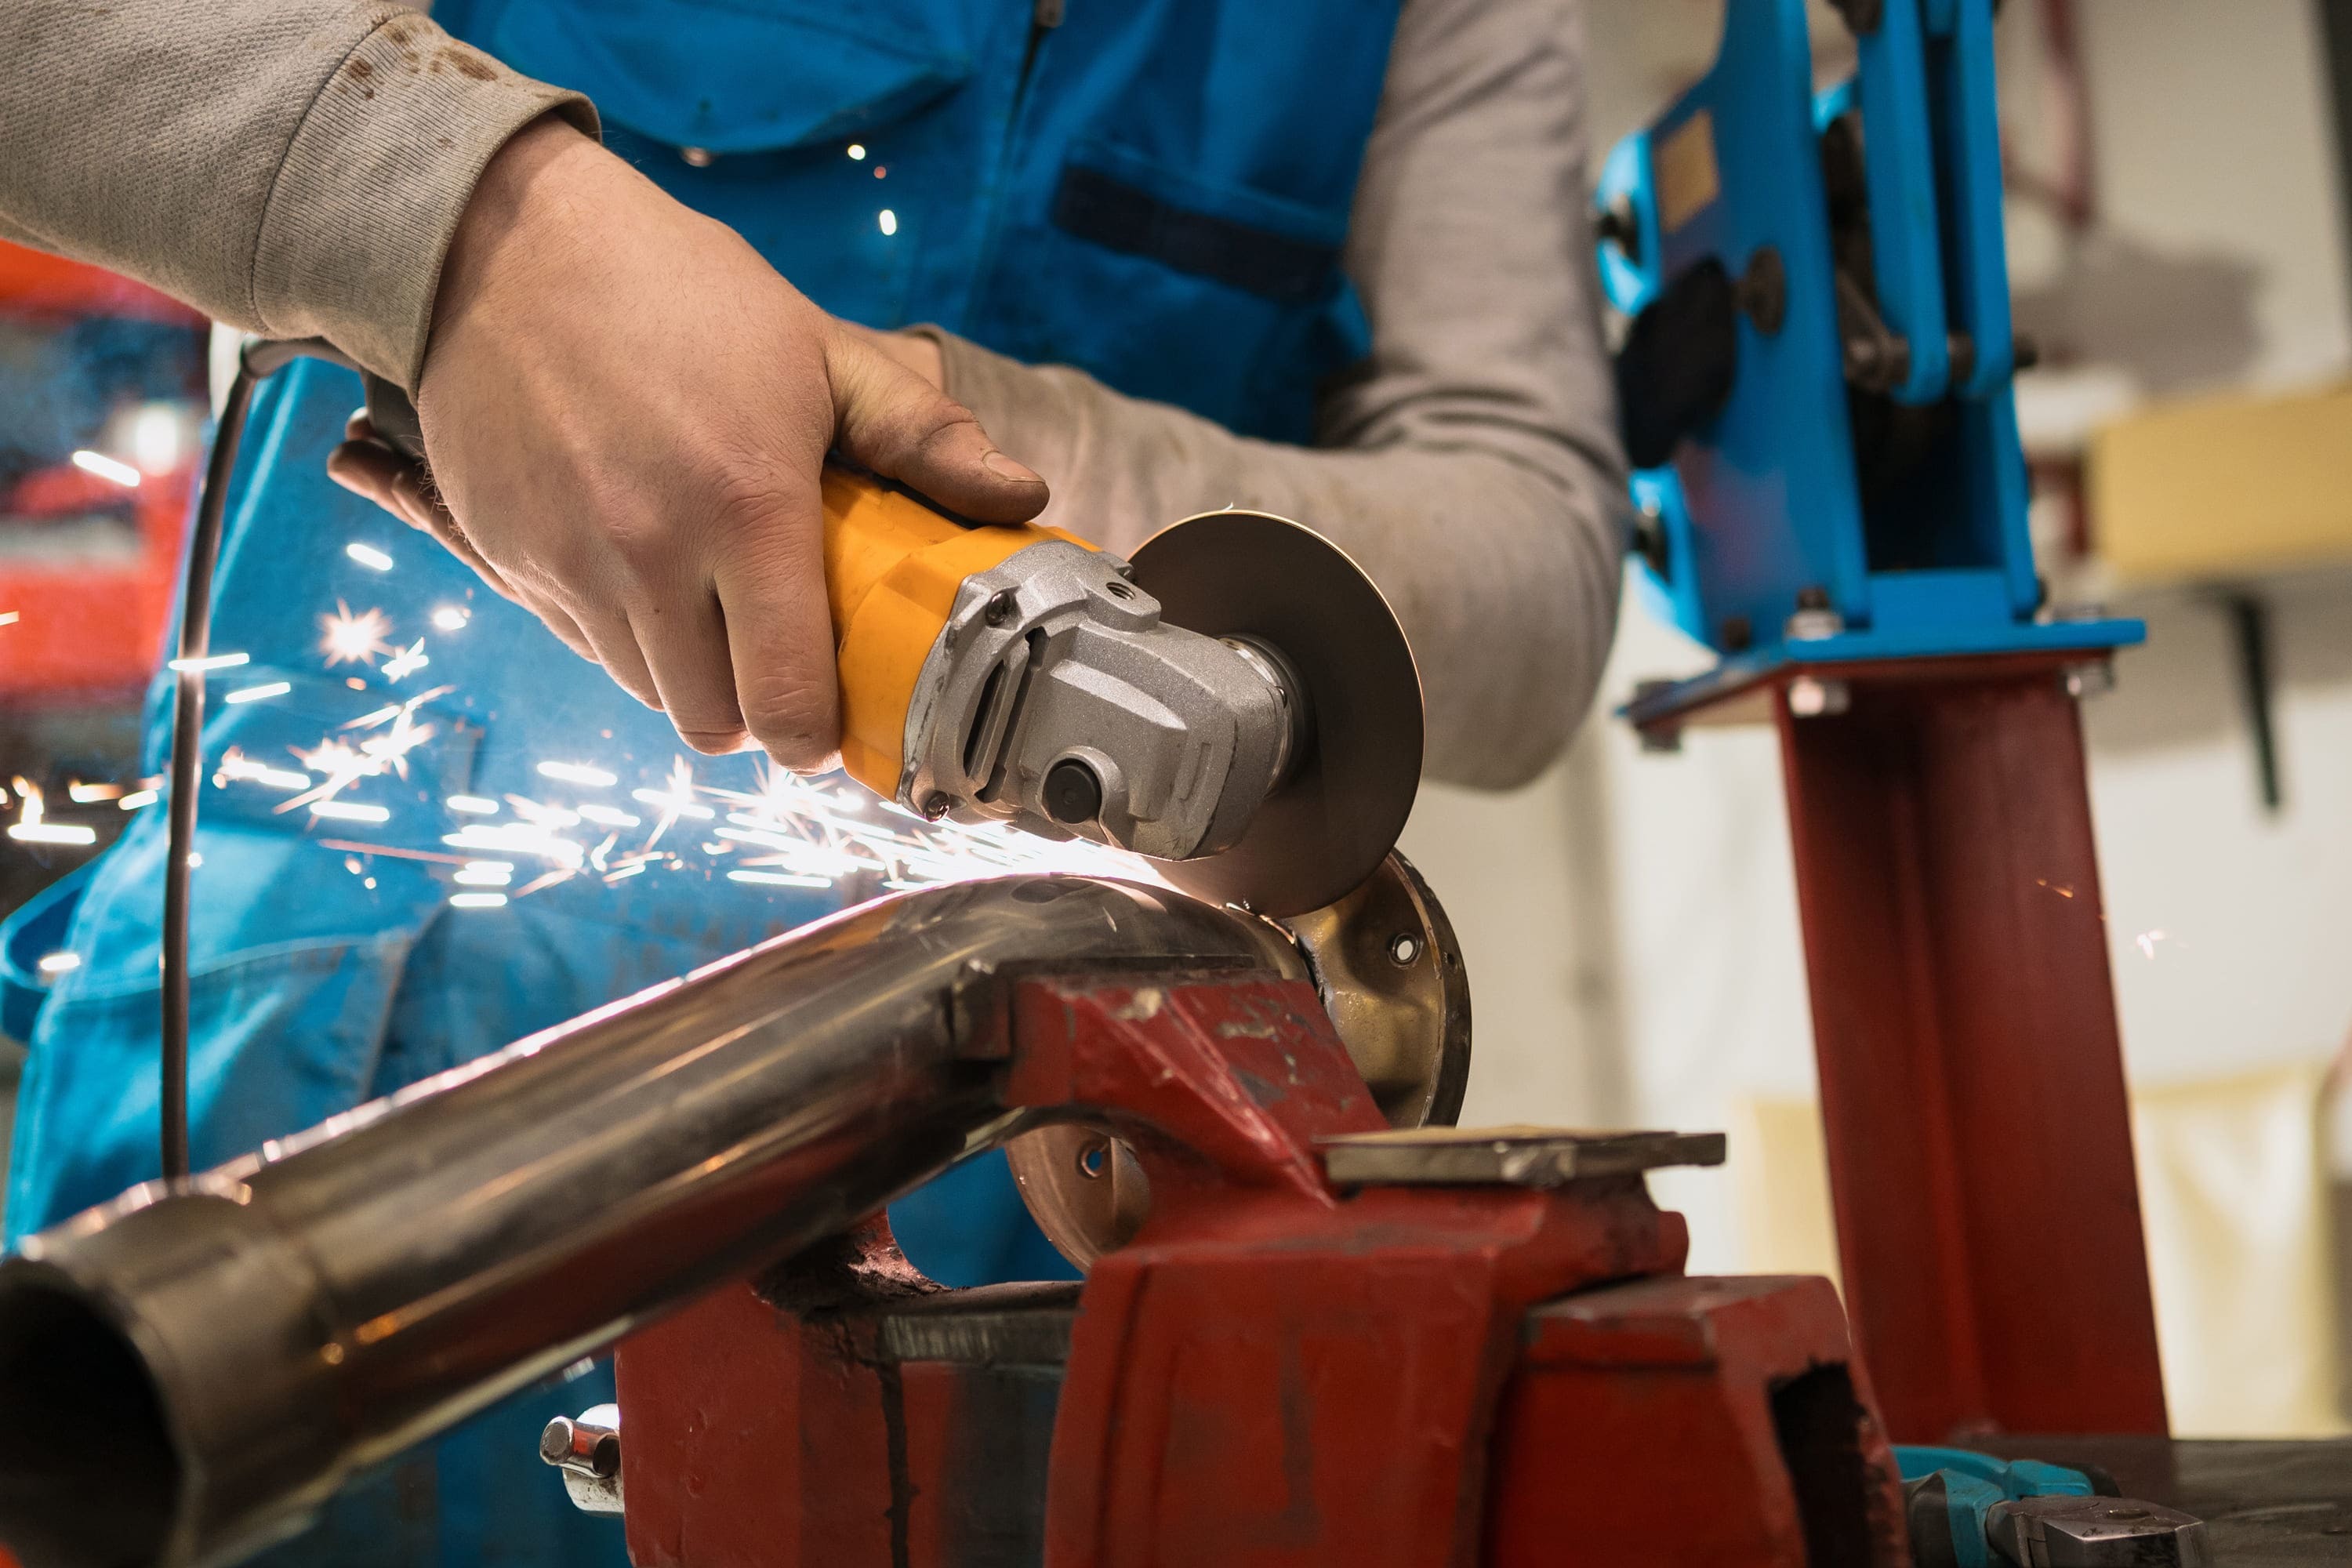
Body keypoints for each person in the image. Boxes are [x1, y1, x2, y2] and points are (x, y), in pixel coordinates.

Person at [0, 0, 1627, 1559]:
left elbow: (1534, 565)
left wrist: (926, 431)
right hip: (329, 1090)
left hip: (981, 1191)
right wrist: (478, 227)